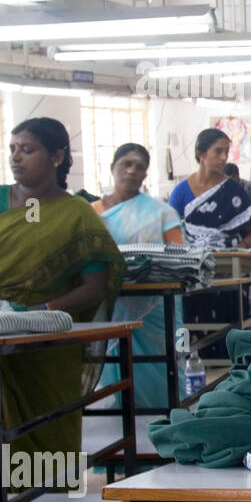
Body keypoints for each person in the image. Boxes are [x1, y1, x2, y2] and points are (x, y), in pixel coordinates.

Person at [0, 118, 124, 481]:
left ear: (57, 156)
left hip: (44, 341)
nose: (16, 157)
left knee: (46, 438)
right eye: (13, 149)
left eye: (27, 150)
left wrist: (35, 313)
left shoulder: (76, 213)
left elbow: (95, 286)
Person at [93, 143, 185, 410]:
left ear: (146, 174)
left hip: (155, 304)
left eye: (140, 166)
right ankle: (120, 418)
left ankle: (161, 412)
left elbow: (177, 257)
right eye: (126, 164)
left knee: (158, 360)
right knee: (113, 357)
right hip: (111, 301)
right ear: (113, 168)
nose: (132, 171)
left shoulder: (160, 211)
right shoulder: (92, 212)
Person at [168, 128, 251, 248]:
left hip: (229, 263)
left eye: (226, 152)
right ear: (200, 154)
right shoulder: (181, 192)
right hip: (189, 262)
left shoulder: (233, 191)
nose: (224, 157)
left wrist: (239, 249)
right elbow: (170, 232)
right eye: (218, 151)